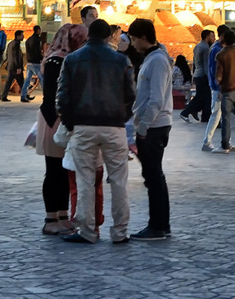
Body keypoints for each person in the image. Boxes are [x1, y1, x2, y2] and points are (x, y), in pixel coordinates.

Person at [58, 18, 136, 244]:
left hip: (83, 126)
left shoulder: (72, 60)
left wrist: (71, 123)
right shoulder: (121, 60)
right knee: (119, 180)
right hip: (114, 126)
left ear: (88, 35)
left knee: (85, 180)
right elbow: (130, 95)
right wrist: (122, 116)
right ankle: (120, 231)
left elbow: (62, 96)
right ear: (108, 36)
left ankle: (88, 230)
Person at [35, 23, 103, 236]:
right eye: (82, 41)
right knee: (53, 171)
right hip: (54, 120)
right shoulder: (58, 59)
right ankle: (50, 218)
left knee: (65, 171)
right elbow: (52, 97)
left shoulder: (69, 58)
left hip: (64, 119)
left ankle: (63, 216)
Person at [127, 18, 174, 240]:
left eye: (134, 39)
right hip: (152, 124)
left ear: (144, 37)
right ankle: (160, 224)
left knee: (153, 177)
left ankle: (157, 225)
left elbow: (156, 98)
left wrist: (143, 127)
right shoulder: (153, 58)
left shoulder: (157, 61)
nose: (133, 44)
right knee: (153, 176)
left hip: (154, 126)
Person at [202, 25, 230, 152]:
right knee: (217, 114)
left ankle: (226, 141)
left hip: (220, 87)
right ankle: (207, 141)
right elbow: (215, 71)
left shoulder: (219, 49)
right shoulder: (217, 50)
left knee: (223, 114)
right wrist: (219, 87)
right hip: (218, 88)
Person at [180, 30, 213, 123]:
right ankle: (186, 112)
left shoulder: (197, 46)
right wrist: (210, 77)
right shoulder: (206, 48)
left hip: (197, 74)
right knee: (202, 96)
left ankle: (202, 115)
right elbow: (206, 64)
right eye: (212, 36)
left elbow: (195, 62)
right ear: (207, 36)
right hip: (203, 75)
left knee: (203, 96)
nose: (213, 38)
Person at [0, 29, 25, 102]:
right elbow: (16, 56)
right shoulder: (16, 44)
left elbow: (8, 55)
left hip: (11, 66)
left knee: (10, 82)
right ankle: (24, 96)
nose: (23, 36)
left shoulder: (11, 43)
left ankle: (4, 96)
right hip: (15, 67)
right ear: (18, 36)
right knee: (21, 82)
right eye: (22, 35)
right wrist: (18, 67)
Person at [20, 25, 43, 103]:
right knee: (42, 78)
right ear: (37, 30)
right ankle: (47, 95)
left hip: (29, 61)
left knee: (27, 79)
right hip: (35, 62)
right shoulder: (37, 40)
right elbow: (37, 51)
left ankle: (23, 95)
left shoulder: (28, 40)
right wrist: (41, 58)